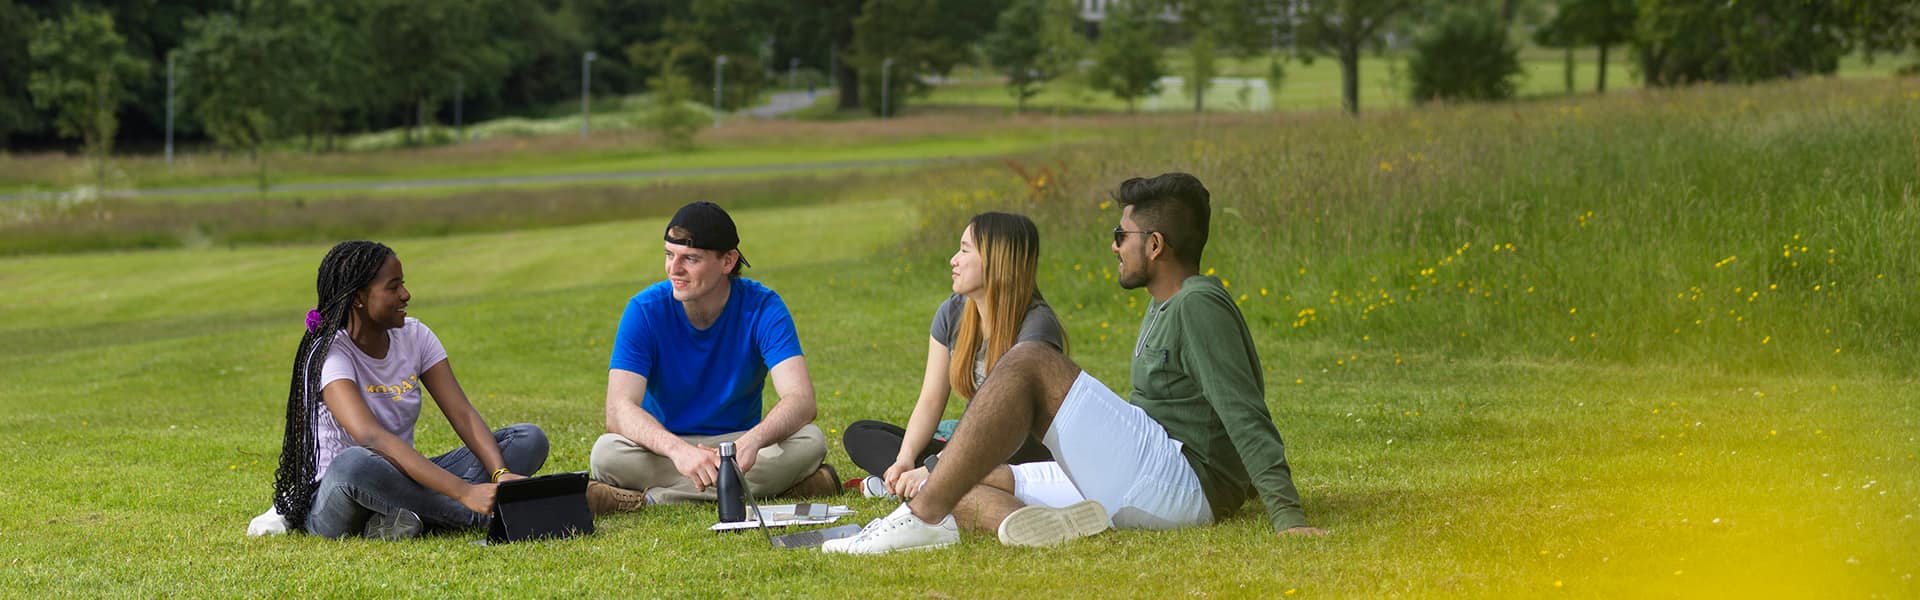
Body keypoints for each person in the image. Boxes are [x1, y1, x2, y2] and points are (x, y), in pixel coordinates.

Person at [825, 173, 1327, 554]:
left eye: (1121, 234)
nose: (1114, 244)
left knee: (1029, 362)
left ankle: (919, 518)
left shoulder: (1198, 304)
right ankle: (1017, 524)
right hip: (1156, 470)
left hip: (1182, 481)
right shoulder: (1167, 303)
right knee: (964, 475)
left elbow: (1244, 412)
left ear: (1154, 245)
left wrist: (1287, 515)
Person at [258, 240, 549, 540]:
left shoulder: (416, 336)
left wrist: (499, 474)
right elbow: (370, 436)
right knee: (356, 462)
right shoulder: (329, 354)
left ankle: (402, 519)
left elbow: (462, 413)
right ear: (359, 297)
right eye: (393, 287)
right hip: (339, 493)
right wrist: (464, 492)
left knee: (527, 439)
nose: (406, 295)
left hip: (400, 479)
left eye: (403, 284)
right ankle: (480, 516)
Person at [586, 201, 837, 515]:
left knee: (810, 440)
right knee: (607, 454)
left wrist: (753, 441)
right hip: (667, 447)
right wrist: (680, 451)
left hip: (738, 445)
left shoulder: (763, 307)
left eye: (690, 259)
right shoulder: (644, 310)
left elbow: (801, 399)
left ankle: (655, 499)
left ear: (728, 261)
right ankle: (785, 487)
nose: (673, 269)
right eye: (669, 255)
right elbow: (618, 411)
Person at [841, 212, 1069, 502]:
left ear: (996, 259)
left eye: (964, 250)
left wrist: (935, 468)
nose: (953, 259)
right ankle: (922, 483)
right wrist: (905, 459)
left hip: (1020, 452)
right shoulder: (952, 313)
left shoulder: (1036, 327)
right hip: (970, 449)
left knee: (1011, 453)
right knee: (860, 434)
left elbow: (1002, 428)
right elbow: (931, 399)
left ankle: (933, 486)